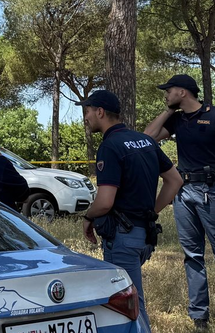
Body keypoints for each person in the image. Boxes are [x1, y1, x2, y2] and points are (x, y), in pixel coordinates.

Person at [144, 74, 215, 332]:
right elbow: (148, 137)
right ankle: (199, 317)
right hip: (183, 194)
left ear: (183, 92)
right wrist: (167, 111)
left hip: (213, 192)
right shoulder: (176, 119)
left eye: (169, 91)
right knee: (192, 256)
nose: (166, 94)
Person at [78, 90, 183, 333]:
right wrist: (151, 212)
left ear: (100, 112)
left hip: (123, 239)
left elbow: (105, 202)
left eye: (88, 111)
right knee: (132, 299)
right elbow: (174, 181)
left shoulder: (110, 146)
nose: (86, 117)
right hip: (144, 236)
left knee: (130, 306)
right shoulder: (145, 141)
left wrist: (87, 217)